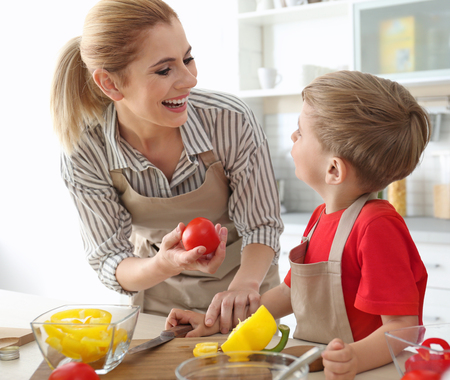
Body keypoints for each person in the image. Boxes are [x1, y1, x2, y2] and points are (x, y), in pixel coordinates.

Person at [166, 70, 430, 379]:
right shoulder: (320, 218)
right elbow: (290, 294)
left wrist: (354, 358)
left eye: (301, 132)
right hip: (319, 366)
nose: (293, 137)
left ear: (333, 169)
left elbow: (403, 328)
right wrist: (214, 322)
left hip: (365, 373)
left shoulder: (377, 227)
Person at [50, 0, 283, 332]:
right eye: (164, 69)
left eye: (188, 58)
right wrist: (164, 263)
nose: (189, 80)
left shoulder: (228, 120)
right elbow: (110, 261)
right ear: (110, 84)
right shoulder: (86, 150)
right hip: (157, 306)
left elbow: (261, 226)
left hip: (245, 294)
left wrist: (243, 288)